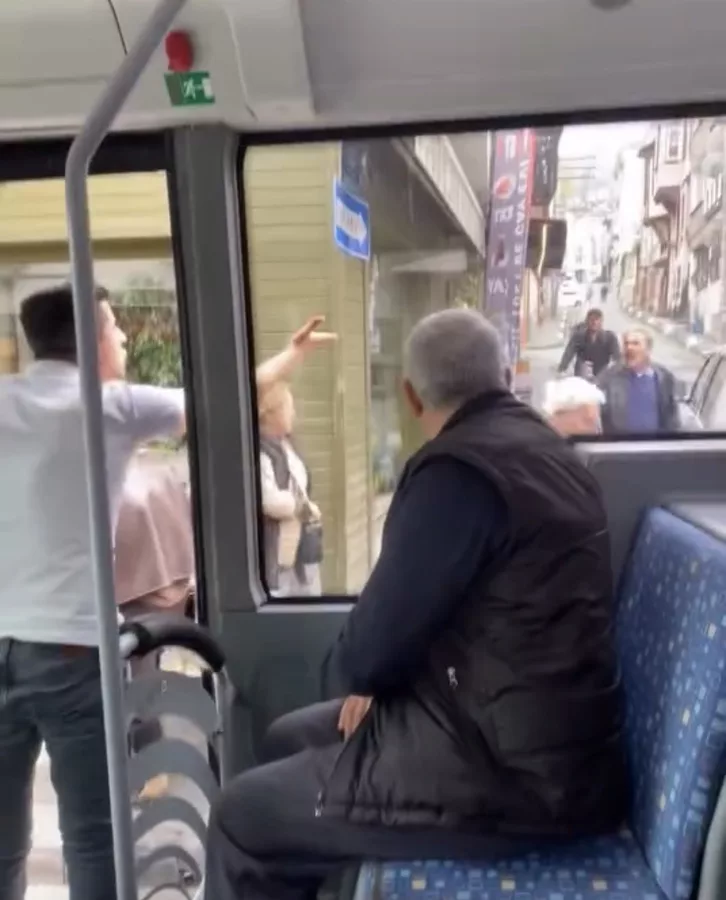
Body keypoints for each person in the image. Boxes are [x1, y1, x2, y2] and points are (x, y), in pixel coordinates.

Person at [203, 308, 626, 900]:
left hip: (511, 777)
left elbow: (370, 649)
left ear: (409, 395)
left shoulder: (455, 473)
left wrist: (370, 680)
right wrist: (378, 681)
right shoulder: (557, 457)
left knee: (240, 817)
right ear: (504, 377)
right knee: (289, 736)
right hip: (560, 750)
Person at [0, 279, 333, 900]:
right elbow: (221, 397)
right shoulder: (111, 406)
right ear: (92, 339)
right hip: (71, 647)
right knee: (93, 838)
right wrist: (292, 356)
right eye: (115, 328)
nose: (125, 339)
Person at [115, 450, 196, 799]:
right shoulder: (155, 467)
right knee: (143, 678)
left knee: (136, 684)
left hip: (134, 593)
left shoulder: (118, 477)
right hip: (166, 586)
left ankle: (153, 768)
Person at [259, 381, 322, 597]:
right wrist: (299, 505)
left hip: (302, 551)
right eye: (289, 408)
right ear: (271, 413)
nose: (293, 414)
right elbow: (268, 500)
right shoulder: (260, 451)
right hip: (279, 559)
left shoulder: (287, 445)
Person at [597, 328, 679, 435]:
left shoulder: (664, 378)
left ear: (648, 349)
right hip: (619, 443)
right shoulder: (608, 377)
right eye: (626, 343)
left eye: (635, 343)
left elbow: (672, 419)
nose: (629, 347)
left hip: (655, 443)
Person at [558, 308, 620, 379]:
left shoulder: (610, 337)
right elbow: (568, 353)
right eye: (592, 320)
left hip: (601, 375)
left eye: (597, 320)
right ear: (587, 321)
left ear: (601, 322)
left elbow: (617, 358)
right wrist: (562, 369)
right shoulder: (578, 336)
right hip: (582, 374)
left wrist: (617, 373)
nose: (594, 322)